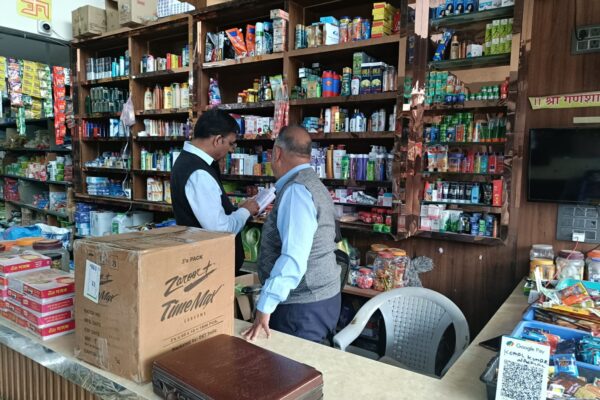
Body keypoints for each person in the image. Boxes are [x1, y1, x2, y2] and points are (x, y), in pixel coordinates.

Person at [243, 125, 341, 343]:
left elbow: (293, 257)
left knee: (291, 364)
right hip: (321, 298)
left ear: (277, 153)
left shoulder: (296, 190)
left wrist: (265, 304)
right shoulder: (313, 183)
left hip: (301, 307)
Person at [171, 109, 259, 275]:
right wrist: (245, 211)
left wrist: (234, 209)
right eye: (231, 143)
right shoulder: (199, 173)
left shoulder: (191, 161)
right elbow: (220, 230)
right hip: (207, 266)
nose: (232, 150)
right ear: (218, 140)